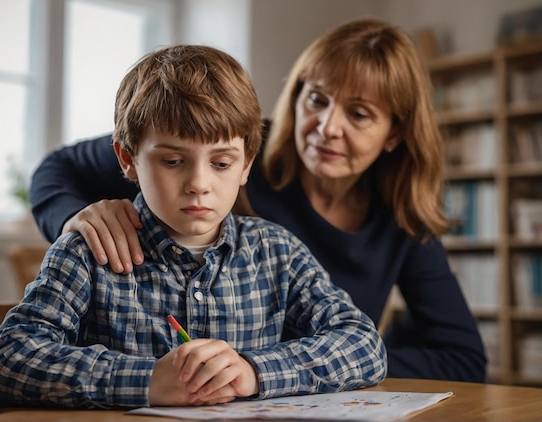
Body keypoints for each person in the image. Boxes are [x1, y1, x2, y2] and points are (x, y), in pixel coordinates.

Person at [29, 19, 488, 383]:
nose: (327, 126)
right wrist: (78, 218)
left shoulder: (396, 217)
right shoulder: (218, 141)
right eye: (317, 99)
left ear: (395, 135)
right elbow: (59, 168)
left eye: (359, 114)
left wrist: (289, 368)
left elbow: (460, 358)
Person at [0, 44, 387, 410]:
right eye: (173, 161)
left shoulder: (278, 252)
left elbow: (364, 345)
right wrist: (148, 381)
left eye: (222, 163)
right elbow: (4, 361)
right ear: (127, 159)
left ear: (246, 165)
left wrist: (253, 371)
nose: (198, 183)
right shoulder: (87, 253)